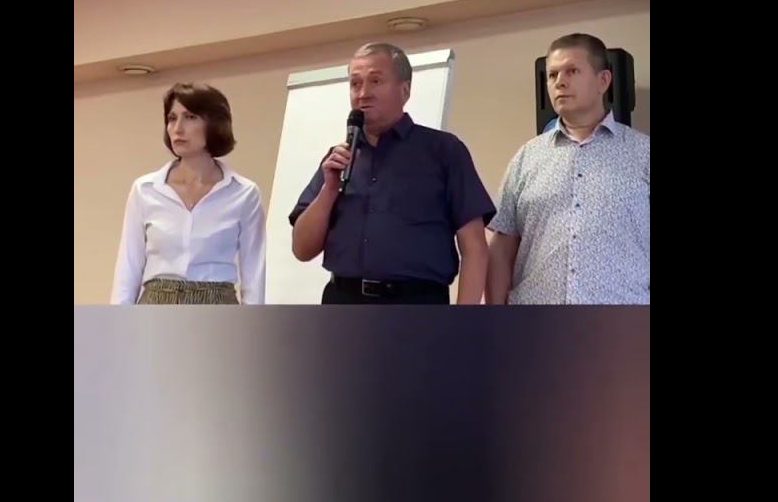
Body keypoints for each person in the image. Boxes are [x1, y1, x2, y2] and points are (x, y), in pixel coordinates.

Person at [290, 43, 495, 304]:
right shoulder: (338, 158)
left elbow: (475, 248)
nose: (363, 93)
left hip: (416, 306)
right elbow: (302, 250)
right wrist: (329, 189)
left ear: (404, 90)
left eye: (375, 81)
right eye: (355, 84)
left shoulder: (444, 150)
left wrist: (463, 322)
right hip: (342, 303)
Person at [486, 33, 649, 304]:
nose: (560, 82)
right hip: (537, 322)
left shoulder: (643, 154)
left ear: (603, 81)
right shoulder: (527, 157)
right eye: (552, 75)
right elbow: (502, 247)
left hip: (623, 321)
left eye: (572, 71)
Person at [111, 83, 266, 304]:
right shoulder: (145, 190)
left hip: (217, 305)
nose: (177, 128)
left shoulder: (244, 193)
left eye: (190, 117)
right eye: (172, 118)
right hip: (155, 304)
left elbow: (254, 275)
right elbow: (128, 268)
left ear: (214, 124)